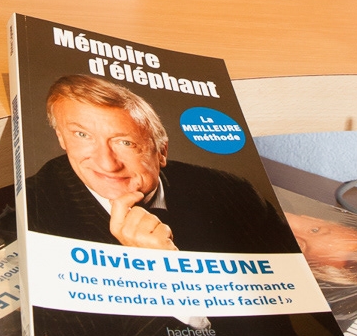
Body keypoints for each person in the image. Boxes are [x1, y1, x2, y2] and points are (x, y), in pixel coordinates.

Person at [27, 75, 294, 253]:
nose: (107, 164)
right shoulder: (34, 209)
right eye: (82, 135)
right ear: (61, 138)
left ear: (161, 151)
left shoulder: (231, 192)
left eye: (126, 143)